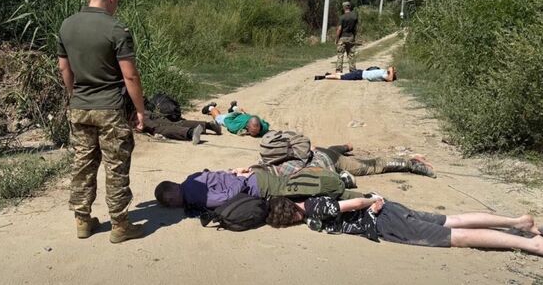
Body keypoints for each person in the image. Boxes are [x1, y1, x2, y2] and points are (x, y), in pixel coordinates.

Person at [58, 0, 144, 243]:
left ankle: (82, 221)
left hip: (80, 107)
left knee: (82, 164)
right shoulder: (116, 29)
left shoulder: (67, 25)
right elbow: (130, 75)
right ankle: (120, 225)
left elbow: (64, 68)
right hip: (110, 109)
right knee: (115, 166)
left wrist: (74, 95)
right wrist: (140, 110)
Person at [265, 195, 543, 256]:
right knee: (453, 220)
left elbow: (352, 204)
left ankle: (529, 243)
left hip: (385, 221)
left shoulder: (314, 210)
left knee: (457, 236)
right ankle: (518, 222)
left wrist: (371, 202)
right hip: (392, 211)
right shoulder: (310, 200)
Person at [154, 165, 359, 210]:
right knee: (298, 184)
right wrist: (236, 174)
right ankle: (347, 188)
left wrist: (241, 180)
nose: (173, 206)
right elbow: (217, 175)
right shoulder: (191, 178)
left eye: (170, 203)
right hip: (257, 179)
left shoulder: (194, 196)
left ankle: (355, 194)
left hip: (257, 186)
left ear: (171, 198)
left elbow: (225, 198)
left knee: (305, 187)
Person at [274, 143, 435, 182]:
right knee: (333, 151)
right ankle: (345, 146)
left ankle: (410, 163)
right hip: (321, 152)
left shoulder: (280, 171)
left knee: (372, 166)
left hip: (329, 160)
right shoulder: (276, 158)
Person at [141, 111, 222, 145]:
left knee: (157, 129)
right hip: (145, 110)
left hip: (137, 114)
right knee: (174, 123)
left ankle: (191, 133)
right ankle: (209, 125)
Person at [201, 101, 269, 137]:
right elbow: (227, 122)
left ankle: (234, 107)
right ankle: (210, 107)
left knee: (242, 112)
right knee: (218, 117)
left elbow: (266, 124)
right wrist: (243, 132)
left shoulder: (262, 127)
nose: (256, 133)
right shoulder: (236, 127)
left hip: (244, 115)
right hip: (231, 117)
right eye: (253, 131)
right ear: (247, 127)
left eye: (257, 131)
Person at [335, 1, 358, 73]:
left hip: (342, 37)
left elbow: (339, 29)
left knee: (340, 54)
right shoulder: (354, 16)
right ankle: (352, 70)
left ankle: (339, 70)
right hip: (351, 37)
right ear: (349, 7)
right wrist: (354, 36)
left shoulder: (342, 17)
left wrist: (337, 38)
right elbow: (355, 28)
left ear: (343, 7)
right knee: (351, 54)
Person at [314, 66, 396, 82]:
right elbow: (390, 79)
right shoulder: (383, 73)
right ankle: (324, 76)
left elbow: (389, 76)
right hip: (359, 75)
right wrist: (392, 72)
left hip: (360, 72)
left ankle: (329, 74)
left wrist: (391, 71)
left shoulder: (383, 71)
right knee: (341, 77)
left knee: (344, 74)